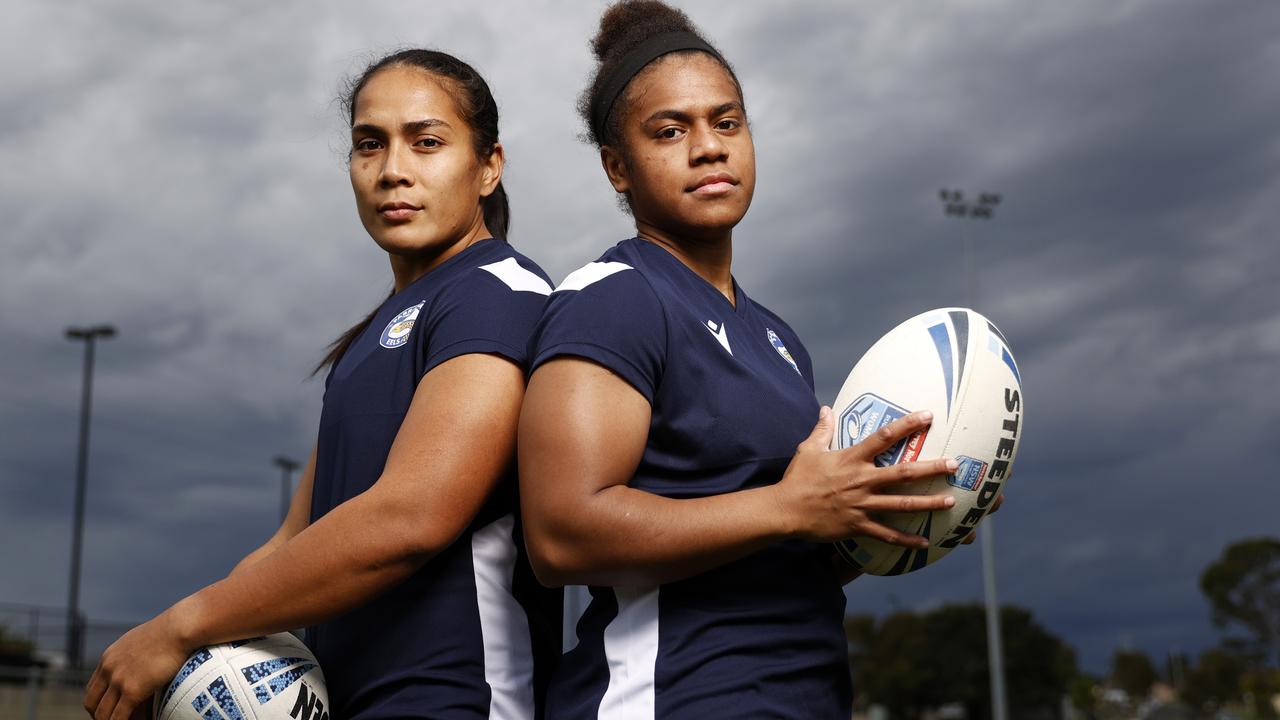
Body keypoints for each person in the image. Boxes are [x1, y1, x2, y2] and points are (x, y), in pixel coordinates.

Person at [516, 3, 964, 718]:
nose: (709, 148)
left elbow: (784, 550)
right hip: (672, 697)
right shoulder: (614, 298)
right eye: (670, 131)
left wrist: (917, 506)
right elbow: (560, 536)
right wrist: (788, 507)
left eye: (727, 123)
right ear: (616, 168)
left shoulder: (778, 339)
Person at [84, 49, 560, 720]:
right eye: (370, 145)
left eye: (426, 143)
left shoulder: (497, 293)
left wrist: (181, 627)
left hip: (456, 703)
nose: (393, 170)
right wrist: (173, 663)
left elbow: (411, 519)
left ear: (488, 166)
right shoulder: (370, 339)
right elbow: (292, 542)